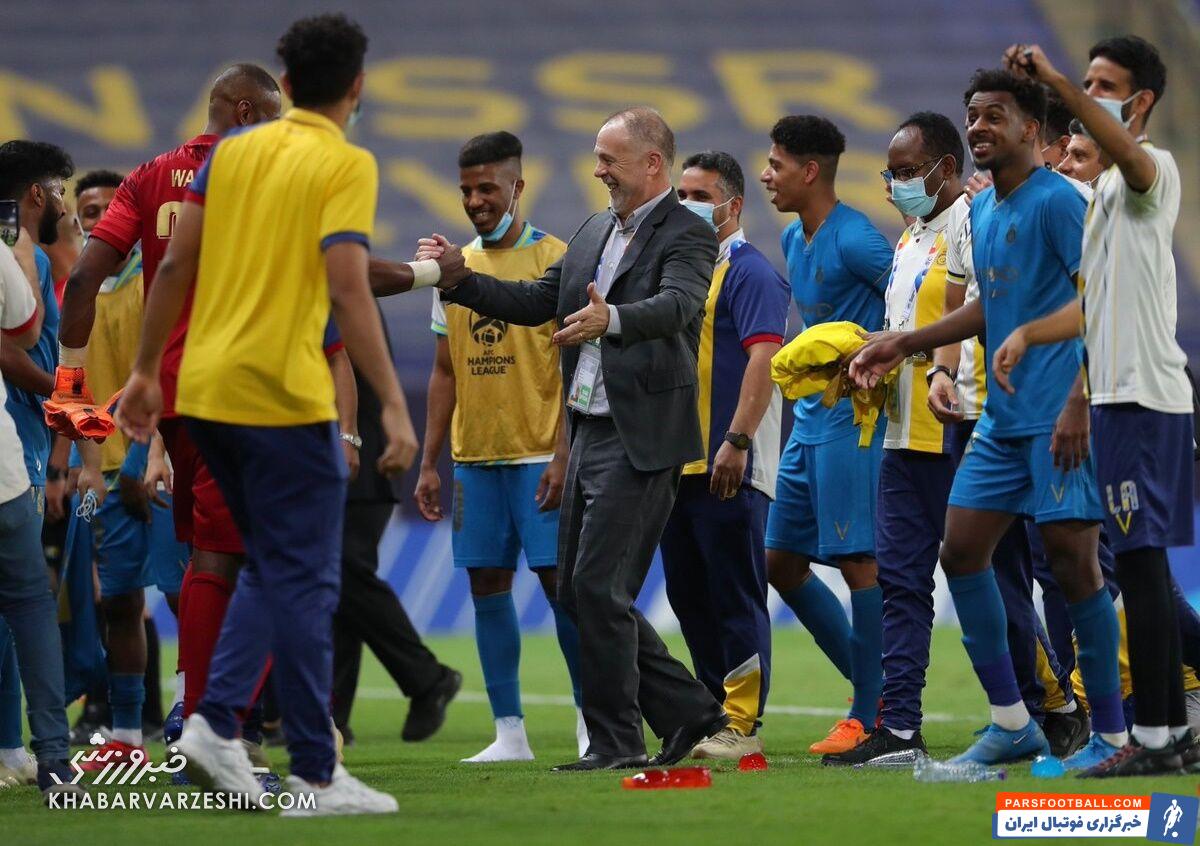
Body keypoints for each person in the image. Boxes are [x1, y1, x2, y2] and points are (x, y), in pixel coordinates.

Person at [116, 13, 423, 814]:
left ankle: (250, 738)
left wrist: (145, 371)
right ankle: (273, 750)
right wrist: (393, 405)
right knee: (305, 574)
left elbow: (174, 266)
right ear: (357, 86)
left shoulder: (231, 153)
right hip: (281, 395)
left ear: (284, 83)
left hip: (204, 392)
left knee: (274, 567)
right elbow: (348, 287)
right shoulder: (344, 161)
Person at [421, 106, 727, 771]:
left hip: (641, 434)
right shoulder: (592, 230)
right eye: (597, 158)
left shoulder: (688, 232)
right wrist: (460, 278)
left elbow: (679, 306)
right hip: (588, 427)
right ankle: (689, 710)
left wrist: (609, 318)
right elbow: (537, 301)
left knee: (595, 587)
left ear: (652, 163)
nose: (597, 171)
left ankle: (618, 742)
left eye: (609, 159)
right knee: (576, 589)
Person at [850, 68, 1126, 769]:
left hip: (1060, 413)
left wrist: (1079, 400)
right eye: (973, 114)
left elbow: (1102, 301)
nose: (978, 126)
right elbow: (989, 304)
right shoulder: (986, 212)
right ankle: (1012, 722)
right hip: (1000, 419)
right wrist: (908, 344)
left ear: (1031, 128)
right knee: (962, 553)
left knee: (1074, 568)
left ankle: (1112, 734)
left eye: (994, 115)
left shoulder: (1060, 202)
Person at [54, 64, 281, 752]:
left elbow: (84, 277)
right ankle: (219, 725)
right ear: (245, 111)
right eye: (271, 117)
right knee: (255, 562)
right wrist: (430, 274)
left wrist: (69, 383)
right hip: (243, 394)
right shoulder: (263, 174)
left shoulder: (150, 177)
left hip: (172, 406)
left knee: (204, 564)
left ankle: (197, 717)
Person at [993, 36, 1197, 776]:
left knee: (1140, 571)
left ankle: (1154, 739)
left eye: (1103, 85)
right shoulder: (1105, 194)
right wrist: (1027, 332)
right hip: (1115, 397)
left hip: (1143, 397)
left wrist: (1053, 80)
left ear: (1140, 102)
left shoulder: (1152, 170)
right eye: (1085, 81)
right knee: (1139, 570)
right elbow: (1092, 305)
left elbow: (1127, 154)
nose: (1087, 93)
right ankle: (1168, 735)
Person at [415, 131, 584, 763]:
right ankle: (509, 732)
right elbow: (444, 370)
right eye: (466, 190)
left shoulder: (558, 259)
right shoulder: (451, 269)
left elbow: (577, 369)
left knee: (561, 587)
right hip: (475, 458)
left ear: (518, 187)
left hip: (540, 453)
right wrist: (430, 461)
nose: (475, 201)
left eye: (487, 188)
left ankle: (590, 721)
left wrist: (565, 453)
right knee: (486, 584)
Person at [825, 112, 963, 766]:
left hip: (960, 430)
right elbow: (904, 327)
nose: (894, 184)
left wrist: (910, 351)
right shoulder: (910, 237)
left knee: (996, 580)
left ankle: (1049, 707)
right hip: (902, 433)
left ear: (946, 168)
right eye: (891, 172)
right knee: (903, 583)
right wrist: (872, 360)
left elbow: (981, 321)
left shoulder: (973, 225)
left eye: (907, 172)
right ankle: (901, 727)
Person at [759, 114, 892, 755]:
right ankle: (876, 685)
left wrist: (881, 350)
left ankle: (868, 715)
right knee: (780, 562)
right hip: (807, 420)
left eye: (776, 165)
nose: (766, 175)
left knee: (857, 561)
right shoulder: (793, 236)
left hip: (854, 422)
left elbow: (914, 302)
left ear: (809, 171)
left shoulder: (859, 239)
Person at [661, 150, 788, 760]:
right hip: (676, 463)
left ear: (732, 206)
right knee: (689, 597)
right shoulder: (679, 271)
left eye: (700, 197)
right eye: (681, 194)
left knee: (734, 593)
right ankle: (712, 713)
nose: (686, 205)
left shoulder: (751, 273)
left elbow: (765, 360)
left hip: (728, 461)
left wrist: (736, 440)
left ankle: (743, 723)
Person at [332, 317, 462, 748]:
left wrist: (351, 436)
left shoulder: (342, 294)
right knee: (339, 589)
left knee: (345, 572)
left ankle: (428, 678)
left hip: (363, 455)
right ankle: (333, 717)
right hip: (343, 453)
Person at [0, 229, 81, 799]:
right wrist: (73, 404)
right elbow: (23, 338)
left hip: (39, 448)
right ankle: (51, 755)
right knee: (30, 606)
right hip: (15, 459)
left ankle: (14, 747)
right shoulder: (24, 254)